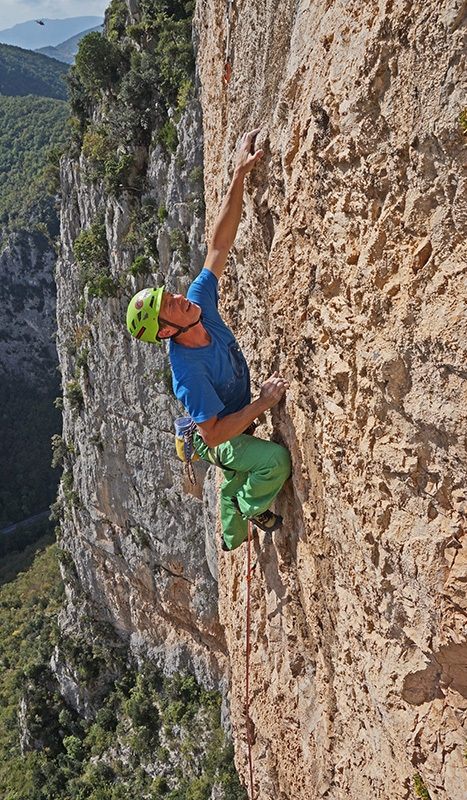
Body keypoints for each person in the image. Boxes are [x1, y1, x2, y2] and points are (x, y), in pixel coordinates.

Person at [126, 129, 291, 551]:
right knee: (274, 461)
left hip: (234, 423)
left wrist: (238, 174)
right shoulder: (188, 371)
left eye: (171, 293)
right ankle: (247, 504)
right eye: (170, 304)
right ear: (166, 331)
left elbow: (218, 244)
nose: (179, 296)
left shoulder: (199, 305)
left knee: (240, 484)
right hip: (222, 436)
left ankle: (231, 519)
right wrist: (264, 403)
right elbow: (215, 435)